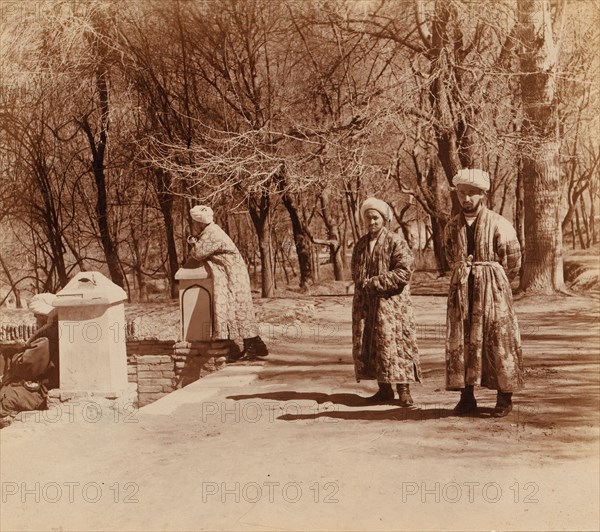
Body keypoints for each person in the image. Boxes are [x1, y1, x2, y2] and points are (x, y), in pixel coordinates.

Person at [444, 168, 523, 417]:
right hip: (462, 291)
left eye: (471, 194)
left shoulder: (500, 223)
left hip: (493, 291)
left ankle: (504, 397)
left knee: (498, 340)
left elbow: (513, 260)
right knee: (463, 340)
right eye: (461, 194)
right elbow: (449, 256)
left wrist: (492, 280)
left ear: (482, 195)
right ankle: (467, 396)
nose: (466, 199)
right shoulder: (452, 226)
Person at [351, 197, 422, 406]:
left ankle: (404, 390)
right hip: (367, 304)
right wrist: (362, 283)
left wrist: (375, 283)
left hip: (391, 305)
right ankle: (384, 389)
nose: (371, 222)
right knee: (372, 345)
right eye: (368, 219)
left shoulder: (396, 241)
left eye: (375, 218)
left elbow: (403, 272)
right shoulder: (361, 244)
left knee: (396, 345)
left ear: (384, 219)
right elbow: (355, 270)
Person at [188, 205, 268, 361]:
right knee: (239, 308)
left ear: (199, 223)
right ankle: (257, 345)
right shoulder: (211, 231)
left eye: (193, 222)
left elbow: (198, 253)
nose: (193, 225)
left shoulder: (212, 233)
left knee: (239, 308)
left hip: (233, 275)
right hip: (232, 273)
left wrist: (192, 242)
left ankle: (252, 348)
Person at [0, 293, 59, 428]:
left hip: (40, 392)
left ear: (45, 316)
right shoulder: (51, 334)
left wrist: (15, 354)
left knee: (5, 399)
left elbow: (24, 367)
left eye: (37, 314)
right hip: (39, 387)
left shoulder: (47, 339)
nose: (34, 317)